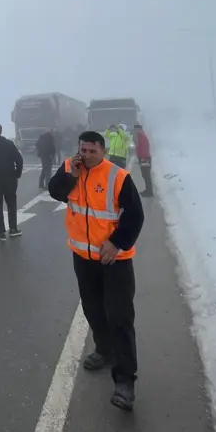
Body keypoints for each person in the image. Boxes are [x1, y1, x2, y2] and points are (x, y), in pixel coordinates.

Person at [48, 131, 145, 412]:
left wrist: (116, 243)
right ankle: (104, 350)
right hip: (83, 258)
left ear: (102, 150)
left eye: (92, 150)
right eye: (83, 150)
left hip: (114, 259)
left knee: (120, 317)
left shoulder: (118, 176)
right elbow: (55, 191)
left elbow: (135, 215)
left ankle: (125, 382)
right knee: (93, 309)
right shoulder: (70, 168)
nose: (87, 155)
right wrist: (71, 176)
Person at [133, 124, 153, 197]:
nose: (134, 131)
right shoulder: (140, 136)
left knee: (146, 175)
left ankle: (149, 192)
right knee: (145, 175)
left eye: (136, 129)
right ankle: (147, 190)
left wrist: (142, 158)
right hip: (143, 158)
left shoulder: (141, 136)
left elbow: (144, 148)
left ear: (139, 129)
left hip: (144, 158)